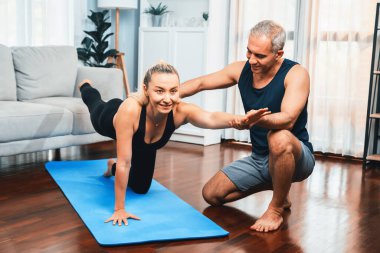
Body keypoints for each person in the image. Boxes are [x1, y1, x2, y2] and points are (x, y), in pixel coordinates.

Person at [79, 62, 270, 226]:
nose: (167, 98)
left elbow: (210, 117)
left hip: (144, 144)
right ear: (146, 89)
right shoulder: (131, 110)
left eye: (173, 91)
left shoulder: (180, 111)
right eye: (159, 91)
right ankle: (85, 87)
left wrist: (240, 120)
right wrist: (119, 209)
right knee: (95, 104)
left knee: (141, 187)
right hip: (109, 118)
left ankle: (109, 168)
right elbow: (125, 163)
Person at [180, 20, 315, 233]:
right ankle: (281, 185)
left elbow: (288, 119)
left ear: (278, 54)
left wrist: (255, 120)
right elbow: (200, 83)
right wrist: (167, 94)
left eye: (260, 56)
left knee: (278, 137)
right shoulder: (241, 69)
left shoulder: (296, 74)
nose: (252, 60)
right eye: (249, 52)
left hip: (297, 156)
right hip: (260, 158)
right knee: (212, 195)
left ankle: (276, 208)